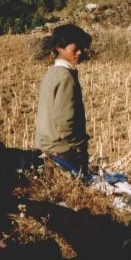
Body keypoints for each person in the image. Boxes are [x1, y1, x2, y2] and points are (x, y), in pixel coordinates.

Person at [34, 23, 92, 174]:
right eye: (75, 49)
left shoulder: (52, 73)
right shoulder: (65, 77)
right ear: (60, 48)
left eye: (81, 48)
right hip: (63, 151)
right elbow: (65, 122)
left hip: (48, 146)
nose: (80, 52)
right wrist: (80, 145)